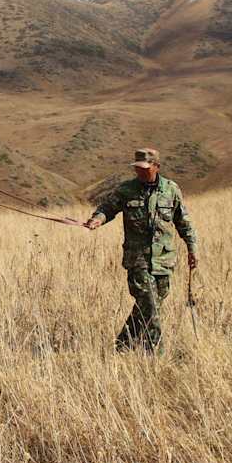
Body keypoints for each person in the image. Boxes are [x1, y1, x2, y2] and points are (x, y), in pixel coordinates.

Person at [86, 148, 198, 353]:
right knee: (151, 306)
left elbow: (183, 222)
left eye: (145, 168)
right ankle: (155, 355)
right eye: (137, 168)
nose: (140, 172)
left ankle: (122, 346)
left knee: (146, 308)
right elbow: (107, 208)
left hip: (163, 260)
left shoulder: (171, 190)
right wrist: (97, 220)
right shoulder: (126, 190)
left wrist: (192, 249)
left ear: (157, 166)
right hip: (137, 259)